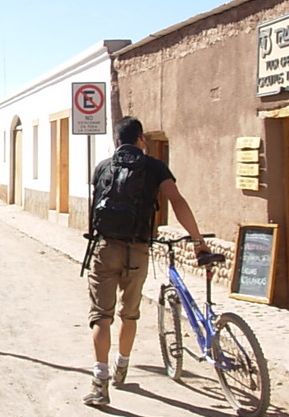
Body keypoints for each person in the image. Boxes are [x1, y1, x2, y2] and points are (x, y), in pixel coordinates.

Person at [83, 117, 210, 406]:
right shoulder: (154, 166)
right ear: (140, 138)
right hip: (138, 250)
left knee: (101, 316)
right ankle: (122, 367)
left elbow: (95, 208)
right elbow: (176, 201)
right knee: (130, 313)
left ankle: (99, 383)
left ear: (117, 140)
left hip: (104, 249)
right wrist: (198, 240)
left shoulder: (103, 166)